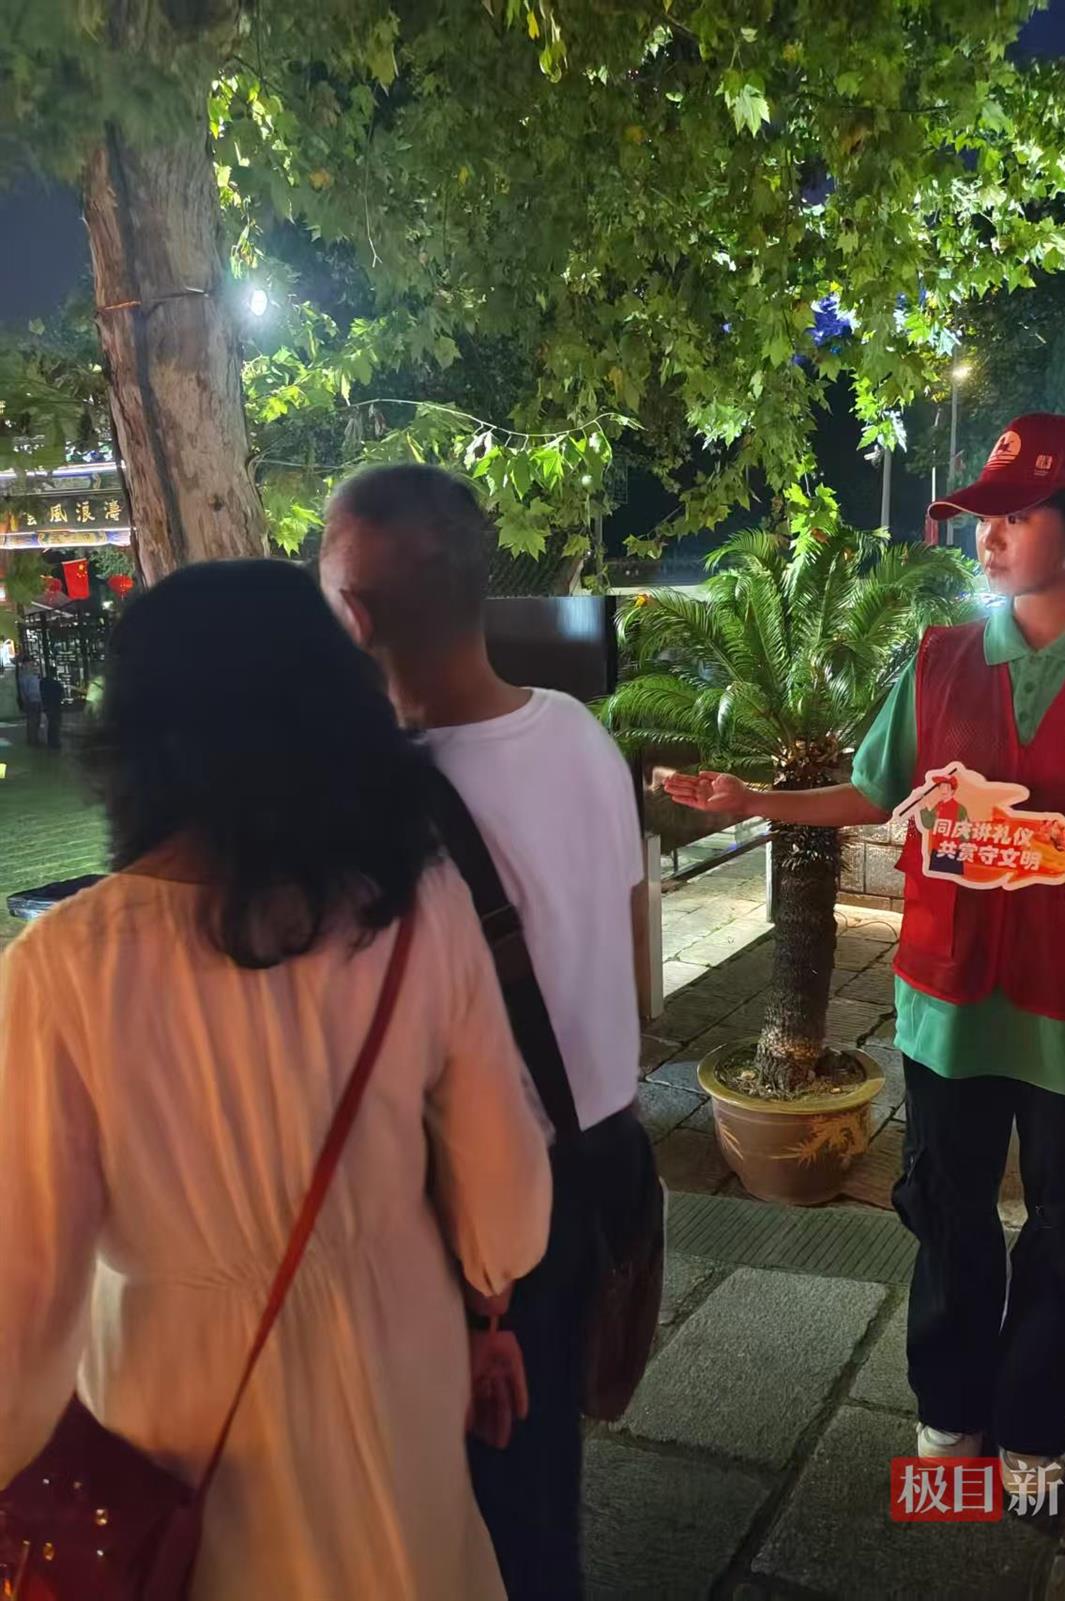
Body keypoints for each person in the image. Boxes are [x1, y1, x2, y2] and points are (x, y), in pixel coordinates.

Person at [667, 414, 1065, 1494]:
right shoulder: (942, 659)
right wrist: (752, 797)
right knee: (948, 1208)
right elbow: (877, 790)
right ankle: (951, 1406)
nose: (985, 539)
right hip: (951, 995)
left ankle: (1033, 1417)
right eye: (979, 519)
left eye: (1015, 517)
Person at [0, 561, 552, 1601]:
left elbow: (20, 1318)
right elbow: (507, 1202)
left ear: (138, 735)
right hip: (399, 1356)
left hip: (179, 1414)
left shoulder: (61, 967)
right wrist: (490, 1310)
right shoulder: (415, 906)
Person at [321, 463, 655, 1601]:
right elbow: (633, 948)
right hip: (609, 1148)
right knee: (539, 1465)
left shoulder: (378, 804)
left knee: (487, 1496)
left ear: (351, 615)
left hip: (484, 1199)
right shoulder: (581, 732)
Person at [15, 654, 41, 745]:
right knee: (33, 720)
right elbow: (25, 689)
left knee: (35, 720)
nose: (32, 664)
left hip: (34, 699)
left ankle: (33, 738)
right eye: (30, 663)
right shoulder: (26, 675)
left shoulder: (26, 674)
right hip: (32, 699)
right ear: (26, 663)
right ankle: (33, 740)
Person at [39, 665, 65, 750]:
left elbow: (41, 693)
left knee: (50, 724)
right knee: (55, 724)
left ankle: (50, 742)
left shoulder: (42, 682)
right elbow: (61, 694)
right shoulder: (56, 684)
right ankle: (55, 742)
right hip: (56, 706)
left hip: (47, 706)